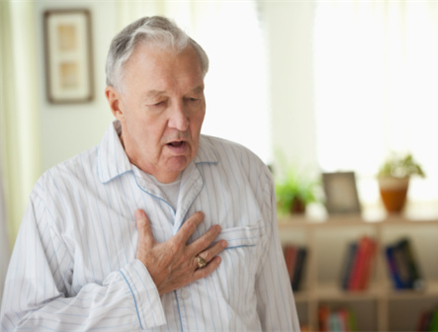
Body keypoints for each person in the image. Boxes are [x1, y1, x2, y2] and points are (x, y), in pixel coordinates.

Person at [0, 16, 299, 331]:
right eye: (159, 103)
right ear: (117, 104)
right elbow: (21, 324)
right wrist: (143, 285)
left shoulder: (249, 173)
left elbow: (278, 314)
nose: (181, 121)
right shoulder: (57, 196)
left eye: (192, 99)